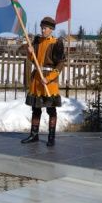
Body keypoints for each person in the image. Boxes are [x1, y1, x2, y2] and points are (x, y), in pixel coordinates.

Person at [21, 16, 65, 147]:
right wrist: (30, 52)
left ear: (51, 29)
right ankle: (34, 135)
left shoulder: (57, 43)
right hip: (37, 79)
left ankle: (51, 137)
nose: (43, 30)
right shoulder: (37, 41)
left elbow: (60, 64)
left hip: (49, 81)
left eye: (45, 28)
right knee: (36, 108)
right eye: (42, 28)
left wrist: (49, 78)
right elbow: (33, 59)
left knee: (51, 109)